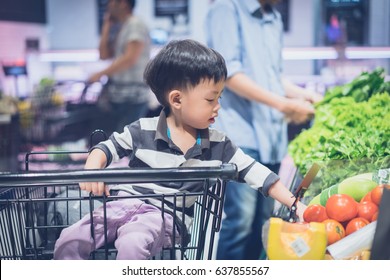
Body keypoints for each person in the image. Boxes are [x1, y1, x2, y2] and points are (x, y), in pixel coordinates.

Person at [53, 39, 307, 260]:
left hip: (165, 217)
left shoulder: (218, 145)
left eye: (219, 98)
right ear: (176, 99)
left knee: (133, 242)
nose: (218, 106)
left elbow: (258, 174)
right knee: (70, 239)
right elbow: (105, 148)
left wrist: (295, 204)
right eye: (211, 99)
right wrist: (92, 171)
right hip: (121, 204)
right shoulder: (143, 129)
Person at [205, 0, 323, 260]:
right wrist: (284, 104)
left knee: (264, 224)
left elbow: (272, 76)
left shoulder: (274, 18)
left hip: (270, 137)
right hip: (239, 136)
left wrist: (305, 96)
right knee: (240, 224)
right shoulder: (226, 7)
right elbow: (228, 73)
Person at [89, 0, 151, 136]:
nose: (108, 5)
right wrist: (106, 26)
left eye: (111, 2)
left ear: (122, 3)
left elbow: (130, 59)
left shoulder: (135, 25)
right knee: (120, 141)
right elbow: (103, 54)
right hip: (121, 96)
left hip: (133, 96)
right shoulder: (122, 27)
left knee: (125, 143)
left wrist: (100, 74)